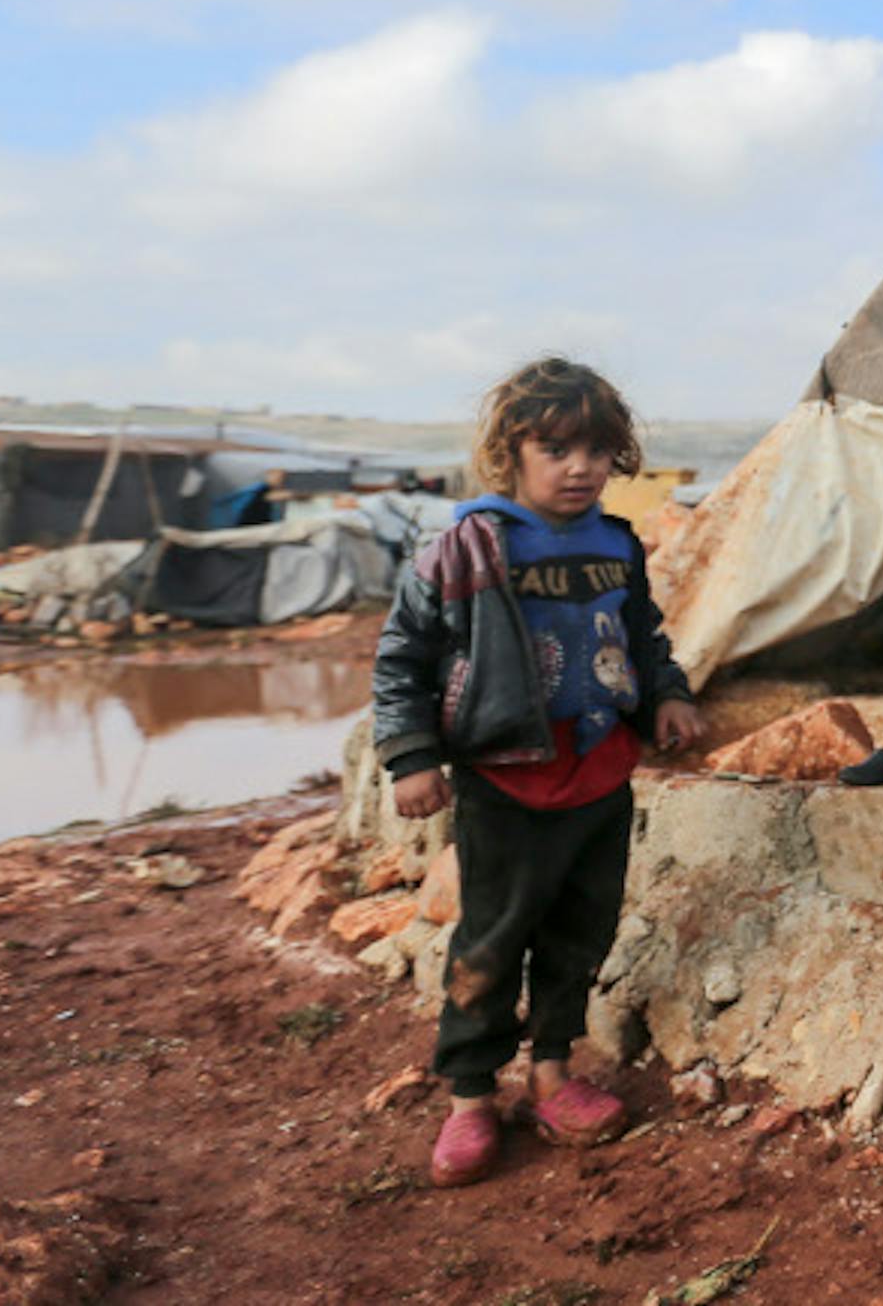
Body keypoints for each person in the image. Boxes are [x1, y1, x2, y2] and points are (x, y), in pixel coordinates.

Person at [370, 357, 706, 1188]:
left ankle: (552, 1074)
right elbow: (402, 657)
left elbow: (640, 637)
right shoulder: (467, 547)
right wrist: (411, 757)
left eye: (596, 449)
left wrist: (666, 695)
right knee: (490, 941)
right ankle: (471, 1097)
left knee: (577, 933)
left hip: (599, 773)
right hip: (506, 779)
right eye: (555, 448)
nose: (580, 467)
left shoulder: (615, 544)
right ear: (510, 453)